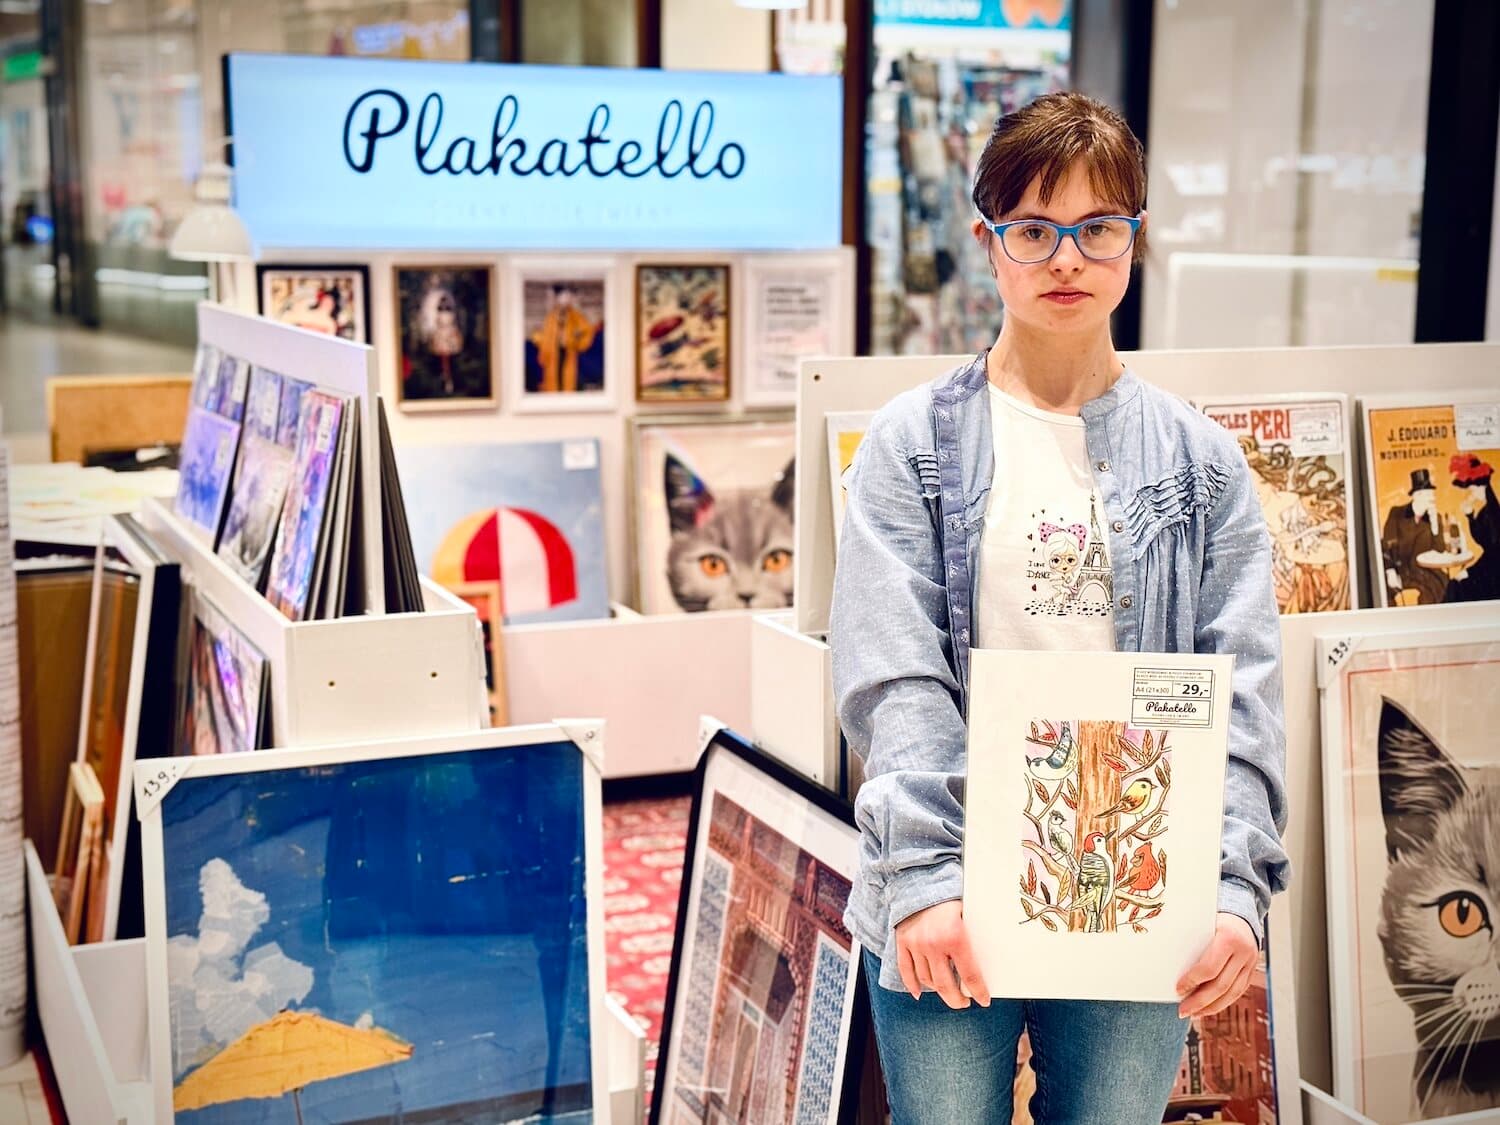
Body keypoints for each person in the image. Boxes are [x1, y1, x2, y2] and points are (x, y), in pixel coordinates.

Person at [830, 91, 1289, 1124]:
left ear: (1136, 241)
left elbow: (1244, 688)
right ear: (989, 244)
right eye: (1034, 230)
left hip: (1138, 884)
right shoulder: (911, 445)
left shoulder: (1203, 464)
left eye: (1097, 228)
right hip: (952, 881)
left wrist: (1232, 889)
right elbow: (893, 674)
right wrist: (927, 876)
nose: (1066, 259)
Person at [1380, 468, 1452, 605]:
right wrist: (1390, 571)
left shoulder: (1435, 517)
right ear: (1417, 495)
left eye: (1432, 494)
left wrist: (1435, 527)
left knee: (1441, 589)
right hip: (1399, 568)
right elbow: (1386, 545)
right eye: (1429, 494)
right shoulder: (1397, 513)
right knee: (1383, 592)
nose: (1433, 498)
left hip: (1424, 570)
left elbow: (1440, 549)